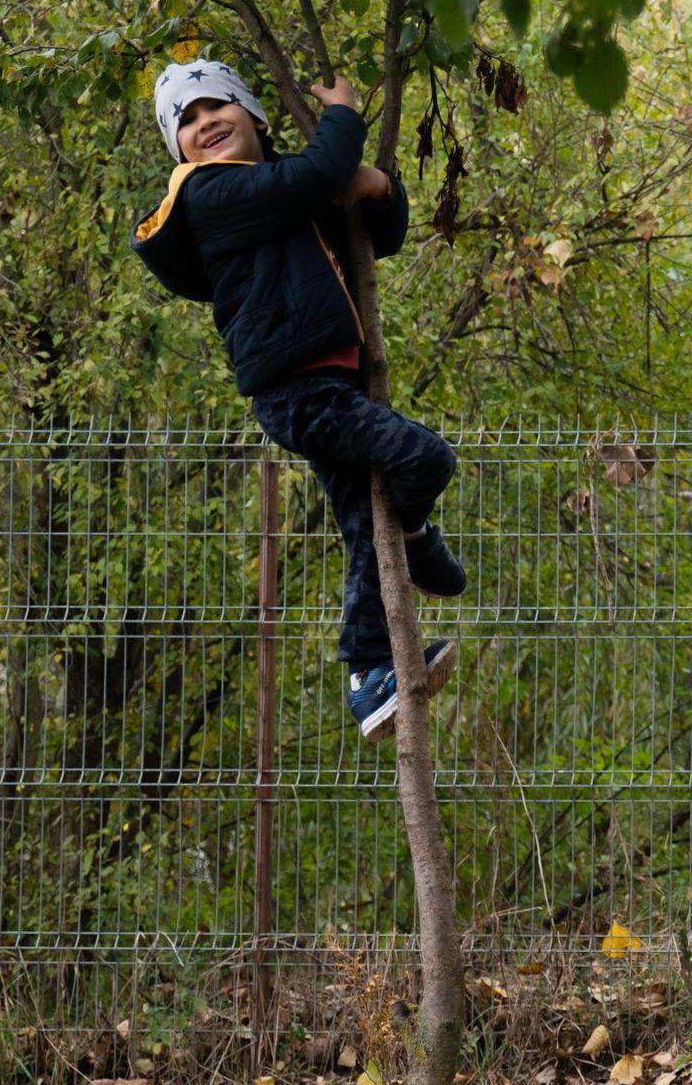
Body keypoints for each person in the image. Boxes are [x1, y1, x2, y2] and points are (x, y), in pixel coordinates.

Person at [133, 60, 462, 740]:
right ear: (178, 149)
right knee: (423, 458)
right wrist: (344, 114)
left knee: (364, 522)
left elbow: (381, 238)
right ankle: (418, 537)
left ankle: (372, 677)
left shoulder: (283, 193)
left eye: (214, 107)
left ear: (253, 115)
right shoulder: (211, 195)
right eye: (186, 122)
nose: (204, 125)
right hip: (295, 389)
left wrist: (377, 190)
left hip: (331, 381)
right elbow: (315, 175)